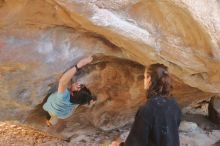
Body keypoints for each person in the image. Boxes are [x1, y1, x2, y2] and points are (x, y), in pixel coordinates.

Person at [110, 63, 182, 146]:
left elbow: (136, 143)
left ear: (149, 79)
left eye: (144, 77)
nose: (144, 80)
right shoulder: (174, 104)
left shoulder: (147, 109)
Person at [43, 56, 96, 126]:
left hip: (50, 107)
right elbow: (82, 100)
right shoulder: (74, 105)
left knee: (51, 115)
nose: (78, 85)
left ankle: (49, 122)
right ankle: (49, 123)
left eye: (78, 88)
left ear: (71, 93)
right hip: (62, 114)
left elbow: (62, 81)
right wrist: (90, 99)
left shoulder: (63, 97)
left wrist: (79, 65)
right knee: (55, 117)